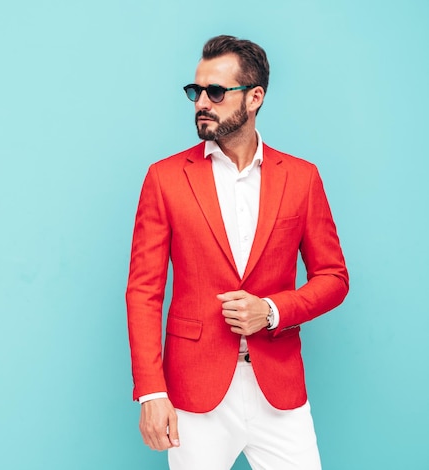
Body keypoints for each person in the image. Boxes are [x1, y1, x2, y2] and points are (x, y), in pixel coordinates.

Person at [125, 35, 349, 470]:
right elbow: (143, 292)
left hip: (278, 389)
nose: (201, 102)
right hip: (195, 392)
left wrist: (271, 310)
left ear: (255, 97)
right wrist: (152, 393)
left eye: (216, 92)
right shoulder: (165, 178)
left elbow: (334, 278)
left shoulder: (301, 179)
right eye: (196, 91)